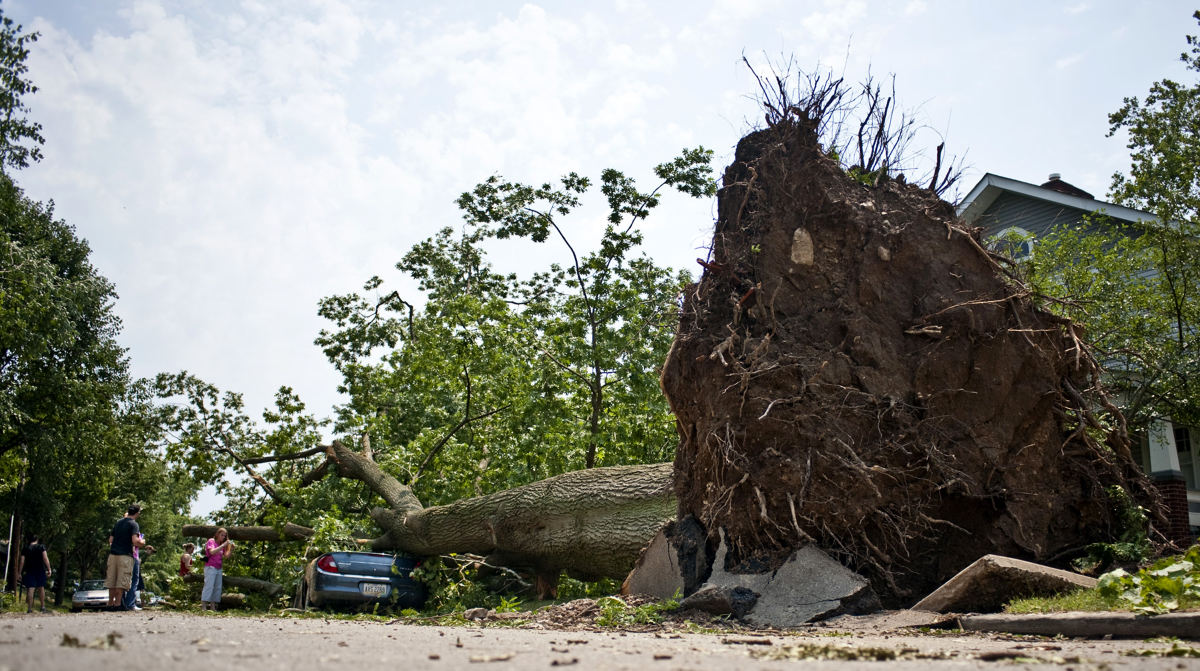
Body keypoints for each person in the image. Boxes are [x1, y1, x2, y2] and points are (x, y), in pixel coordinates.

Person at [106, 504, 148, 609]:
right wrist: (142, 542)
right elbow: (135, 541)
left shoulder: (118, 522)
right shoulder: (133, 524)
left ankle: (110, 603)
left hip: (113, 555)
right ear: (137, 513)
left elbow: (110, 540)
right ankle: (118, 604)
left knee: (112, 580)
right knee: (122, 580)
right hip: (125, 555)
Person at [201, 528, 233, 611]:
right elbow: (212, 552)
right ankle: (204, 606)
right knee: (209, 586)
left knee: (217, 587)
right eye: (222, 535)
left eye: (225, 536)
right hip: (210, 567)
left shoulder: (221, 544)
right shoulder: (211, 541)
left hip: (219, 568)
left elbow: (226, 556)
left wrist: (231, 549)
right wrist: (222, 545)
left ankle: (213, 606)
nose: (223, 537)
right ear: (217, 534)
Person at [17, 535, 51, 613]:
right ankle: (42, 607)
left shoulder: (25, 548)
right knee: (41, 588)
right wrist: (49, 568)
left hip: (29, 570)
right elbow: (45, 558)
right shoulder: (41, 547)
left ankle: (29, 608)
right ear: (37, 540)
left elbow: (22, 561)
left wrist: (19, 573)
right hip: (40, 570)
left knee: (30, 589)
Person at [122, 533, 154, 611]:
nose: (151, 553)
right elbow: (138, 559)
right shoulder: (143, 553)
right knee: (137, 585)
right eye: (151, 551)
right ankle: (132, 603)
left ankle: (129, 603)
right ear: (148, 549)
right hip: (134, 565)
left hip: (131, 563)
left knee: (135, 585)